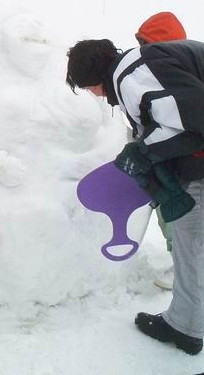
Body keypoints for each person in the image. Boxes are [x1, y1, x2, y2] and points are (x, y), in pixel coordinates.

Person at [66, 37, 204, 355]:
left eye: (88, 88)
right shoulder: (143, 64)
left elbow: (191, 121)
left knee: (191, 245)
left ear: (95, 78)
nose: (94, 95)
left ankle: (185, 328)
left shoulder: (133, 76)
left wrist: (142, 152)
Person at [135, 11, 187, 289]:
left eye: (146, 44)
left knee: (179, 215)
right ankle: (181, 262)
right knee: (168, 214)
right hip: (167, 159)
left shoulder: (176, 72)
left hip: (183, 160)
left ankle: (184, 268)